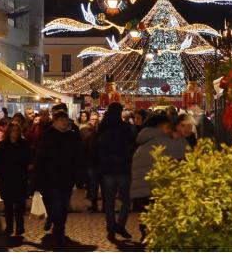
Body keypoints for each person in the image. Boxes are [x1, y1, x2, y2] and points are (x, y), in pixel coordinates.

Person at [131, 113, 187, 240]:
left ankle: (146, 236)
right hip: (162, 190)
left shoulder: (142, 144)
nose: (170, 129)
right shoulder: (170, 142)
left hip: (142, 192)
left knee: (147, 217)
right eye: (168, 126)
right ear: (160, 127)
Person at [34, 111, 83, 247]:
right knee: (56, 205)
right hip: (51, 177)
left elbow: (78, 156)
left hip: (67, 177)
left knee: (63, 206)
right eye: (61, 119)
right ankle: (59, 231)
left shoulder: (72, 136)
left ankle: (59, 228)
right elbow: (40, 157)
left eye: (65, 119)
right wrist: (37, 177)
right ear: (55, 121)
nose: (64, 122)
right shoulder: (47, 135)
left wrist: (79, 174)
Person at [97, 102, 136, 240]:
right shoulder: (125, 128)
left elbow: (98, 147)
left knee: (109, 200)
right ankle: (120, 224)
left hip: (107, 168)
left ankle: (111, 227)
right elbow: (132, 143)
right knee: (126, 199)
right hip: (123, 167)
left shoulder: (103, 127)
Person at [0, 123, 32, 236]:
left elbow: (29, 158)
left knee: (20, 204)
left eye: (16, 130)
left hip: (20, 177)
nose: (15, 132)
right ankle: (9, 227)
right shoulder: (3, 144)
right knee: (8, 205)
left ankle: (20, 226)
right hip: (7, 178)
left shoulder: (24, 144)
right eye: (13, 130)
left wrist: (29, 167)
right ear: (9, 132)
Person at [80, 111, 101, 212]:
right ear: (89, 120)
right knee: (92, 184)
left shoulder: (101, 131)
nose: (94, 122)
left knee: (100, 184)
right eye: (93, 120)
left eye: (96, 120)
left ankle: (103, 204)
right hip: (90, 161)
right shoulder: (85, 131)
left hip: (100, 161)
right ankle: (94, 203)